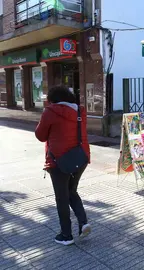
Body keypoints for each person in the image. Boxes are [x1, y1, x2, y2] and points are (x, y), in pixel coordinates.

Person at [35, 86, 91, 246]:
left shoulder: (50, 111)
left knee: (62, 197)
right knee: (72, 191)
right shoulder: (80, 111)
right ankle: (83, 223)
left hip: (59, 161)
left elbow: (40, 135)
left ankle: (66, 235)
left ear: (52, 100)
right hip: (81, 158)